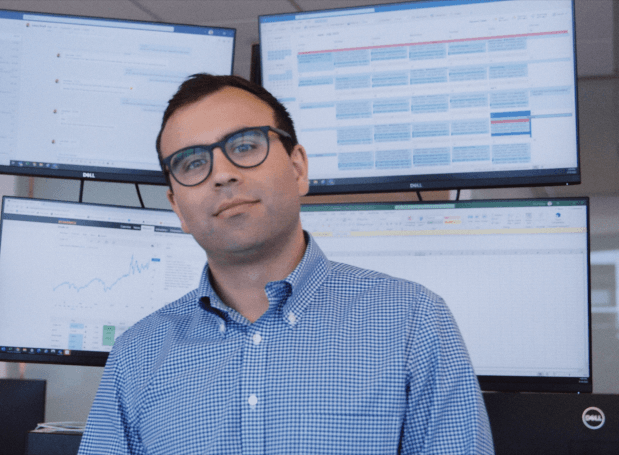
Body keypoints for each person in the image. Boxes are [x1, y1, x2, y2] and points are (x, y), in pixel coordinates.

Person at [78, 74, 494, 454]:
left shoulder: (413, 321)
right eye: (193, 163)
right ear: (177, 208)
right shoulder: (137, 355)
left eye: (245, 146)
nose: (222, 174)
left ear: (298, 168)